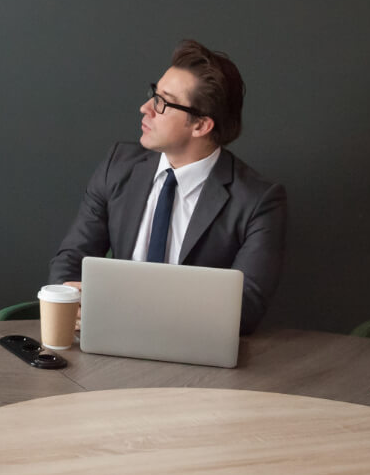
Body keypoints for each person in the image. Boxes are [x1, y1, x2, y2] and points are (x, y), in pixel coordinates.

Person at [49, 40, 287, 335]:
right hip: (108, 340)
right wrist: (71, 298)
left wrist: (128, 306)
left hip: (194, 354)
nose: (146, 108)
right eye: (153, 94)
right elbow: (71, 258)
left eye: (162, 102)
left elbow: (246, 307)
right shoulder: (118, 165)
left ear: (201, 125)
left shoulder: (257, 200)